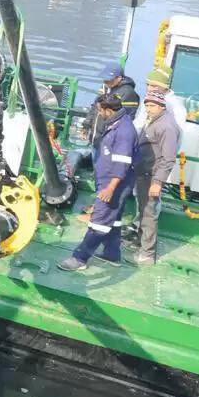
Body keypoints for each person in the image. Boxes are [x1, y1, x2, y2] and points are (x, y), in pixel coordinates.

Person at [59, 93, 137, 271]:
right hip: (109, 182)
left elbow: (122, 164)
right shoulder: (117, 123)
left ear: (109, 110)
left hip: (114, 186)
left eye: (100, 110)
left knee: (99, 222)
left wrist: (110, 188)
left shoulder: (124, 131)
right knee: (114, 219)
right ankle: (112, 253)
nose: (99, 113)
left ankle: (79, 258)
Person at [128, 92, 180, 267]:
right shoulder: (154, 121)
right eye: (147, 105)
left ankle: (147, 255)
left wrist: (158, 182)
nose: (149, 109)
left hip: (151, 178)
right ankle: (142, 246)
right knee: (143, 212)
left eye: (153, 106)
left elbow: (168, 158)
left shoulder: (166, 126)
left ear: (162, 107)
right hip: (143, 174)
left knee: (149, 215)